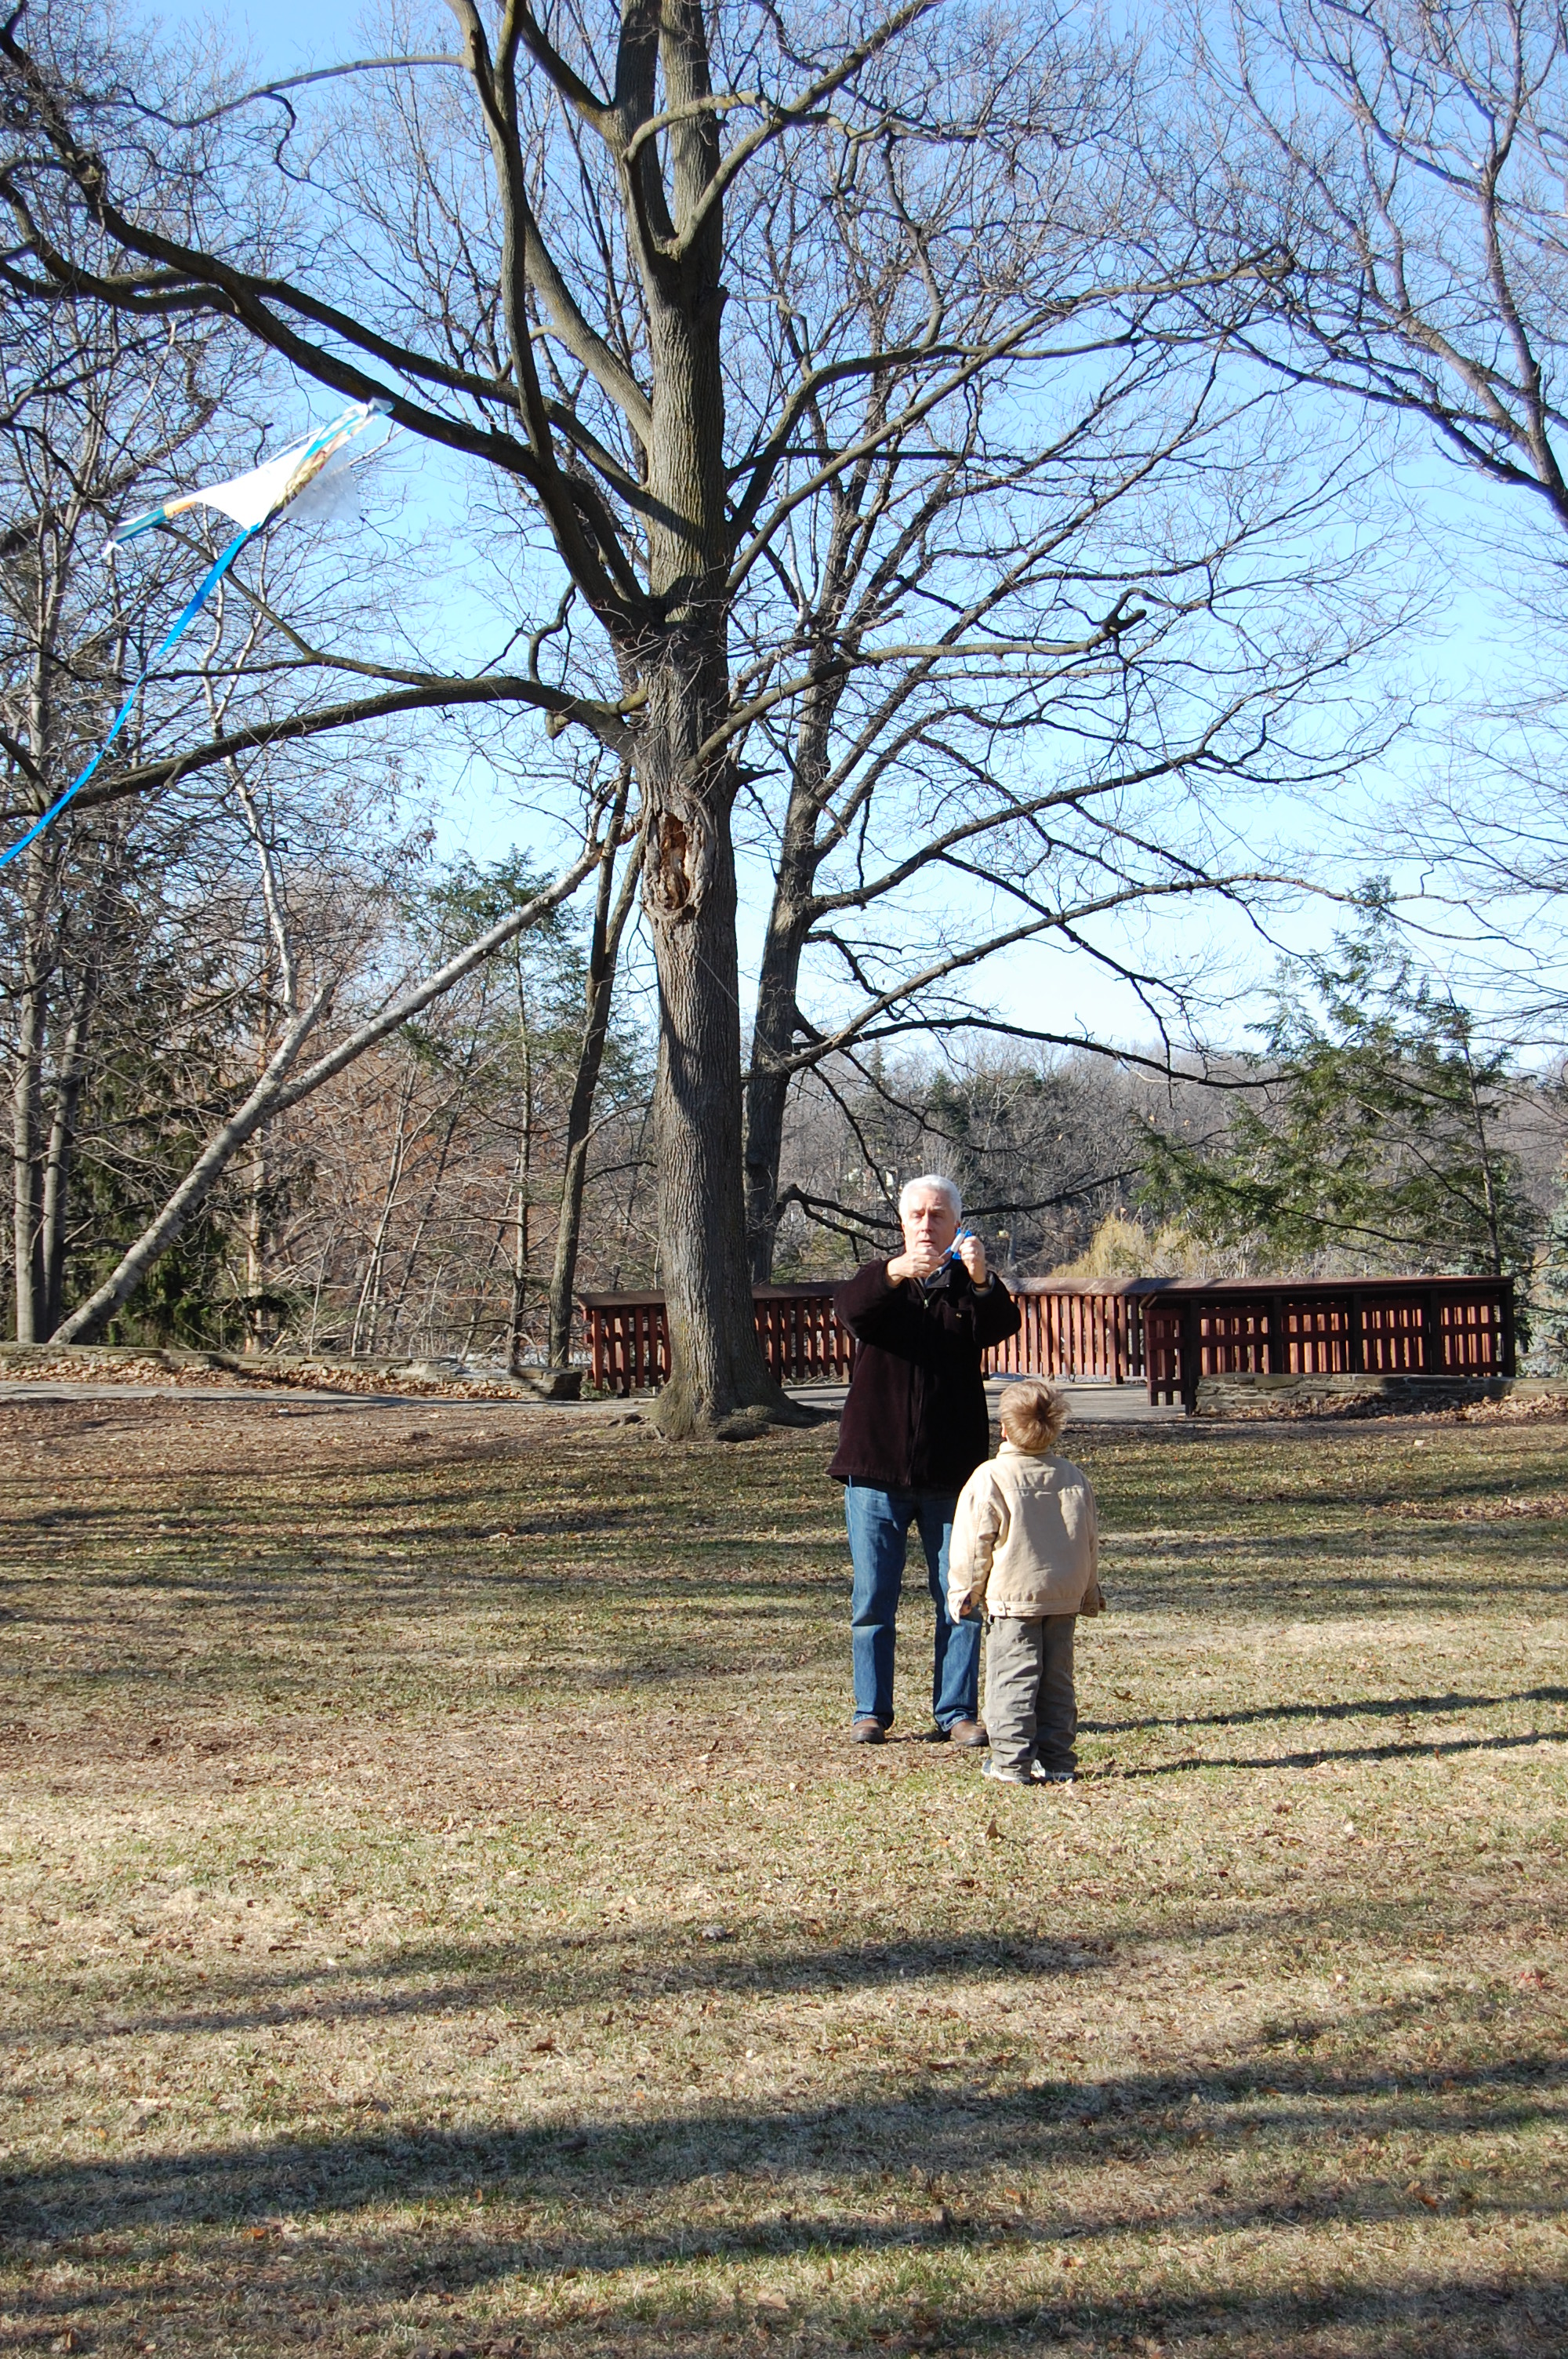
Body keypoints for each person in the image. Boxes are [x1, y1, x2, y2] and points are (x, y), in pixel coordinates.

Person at [829, 1175, 1022, 1745]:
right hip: (875, 1467)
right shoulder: (879, 1283)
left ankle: (956, 1713)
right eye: (917, 1214)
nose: (926, 1225)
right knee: (872, 1601)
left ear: (956, 1223)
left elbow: (1002, 1327)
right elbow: (849, 1312)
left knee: (959, 1599)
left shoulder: (969, 1288)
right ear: (901, 1222)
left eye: (938, 1215)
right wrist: (894, 1273)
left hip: (952, 1473)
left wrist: (983, 1281)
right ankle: (871, 1712)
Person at [946, 1377, 1102, 1787]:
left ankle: (1011, 1762)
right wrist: (1089, 1590)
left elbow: (973, 1544)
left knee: (1012, 1679)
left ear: (1003, 1428)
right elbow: (1089, 1540)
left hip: (1013, 1601)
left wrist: (965, 1591)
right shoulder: (1072, 1476)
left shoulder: (990, 1477)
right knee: (1057, 1681)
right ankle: (1059, 1759)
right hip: (1063, 1598)